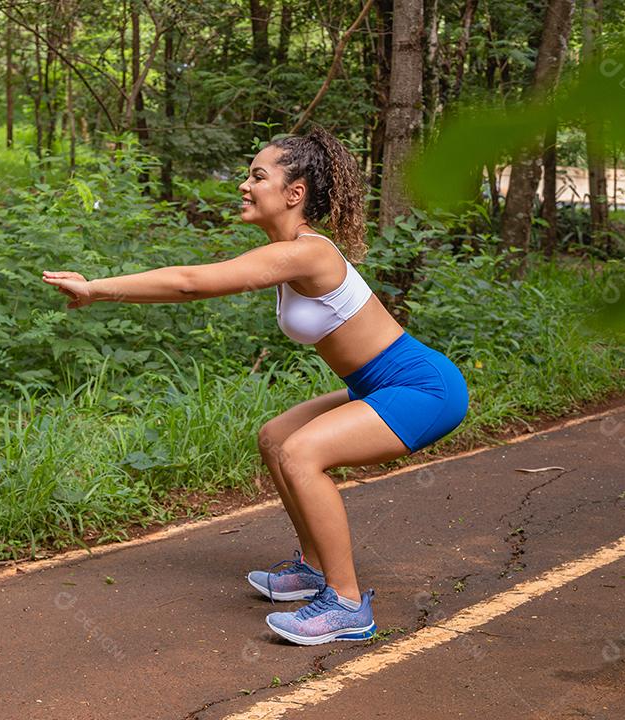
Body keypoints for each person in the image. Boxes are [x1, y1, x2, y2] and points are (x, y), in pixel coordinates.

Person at [41, 126, 469, 646]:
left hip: (423, 387)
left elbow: (190, 282)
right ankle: (314, 568)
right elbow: (193, 283)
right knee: (275, 437)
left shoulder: (309, 253)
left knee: (301, 453)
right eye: (247, 174)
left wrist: (96, 289)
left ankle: (348, 604)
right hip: (379, 384)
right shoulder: (289, 253)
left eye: (257, 176)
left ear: (294, 193)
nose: (245, 185)